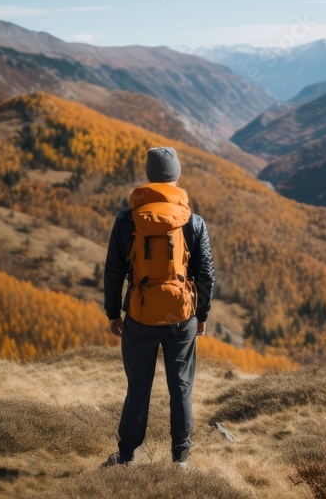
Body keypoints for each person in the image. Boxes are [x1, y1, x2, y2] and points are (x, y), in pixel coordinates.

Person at [102, 146, 215, 468]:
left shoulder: (127, 219)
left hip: (139, 316)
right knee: (180, 386)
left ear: (149, 177)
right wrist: (202, 314)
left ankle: (126, 456)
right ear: (176, 176)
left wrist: (113, 313)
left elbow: (113, 270)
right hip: (181, 317)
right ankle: (180, 458)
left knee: (139, 387)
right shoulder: (193, 221)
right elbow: (206, 273)